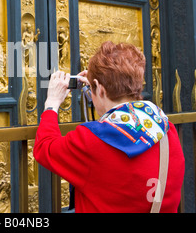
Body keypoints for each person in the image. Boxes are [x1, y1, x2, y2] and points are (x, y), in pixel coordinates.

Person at [33, 41, 185, 213]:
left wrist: (52, 103)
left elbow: (44, 147)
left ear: (101, 89)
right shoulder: (166, 131)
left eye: (92, 88)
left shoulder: (91, 141)